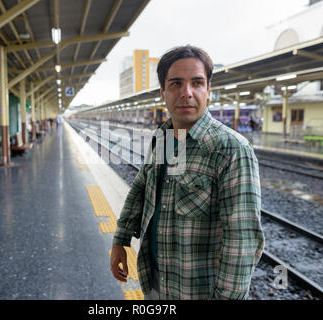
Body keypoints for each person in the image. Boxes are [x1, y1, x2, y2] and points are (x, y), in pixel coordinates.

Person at [110, 45, 265, 300]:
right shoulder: (164, 137)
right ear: (163, 92)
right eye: (176, 84)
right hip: (156, 282)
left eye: (197, 83)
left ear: (208, 90)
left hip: (198, 291)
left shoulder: (232, 149)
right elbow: (141, 188)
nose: (187, 93)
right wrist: (121, 239)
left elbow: (242, 241)